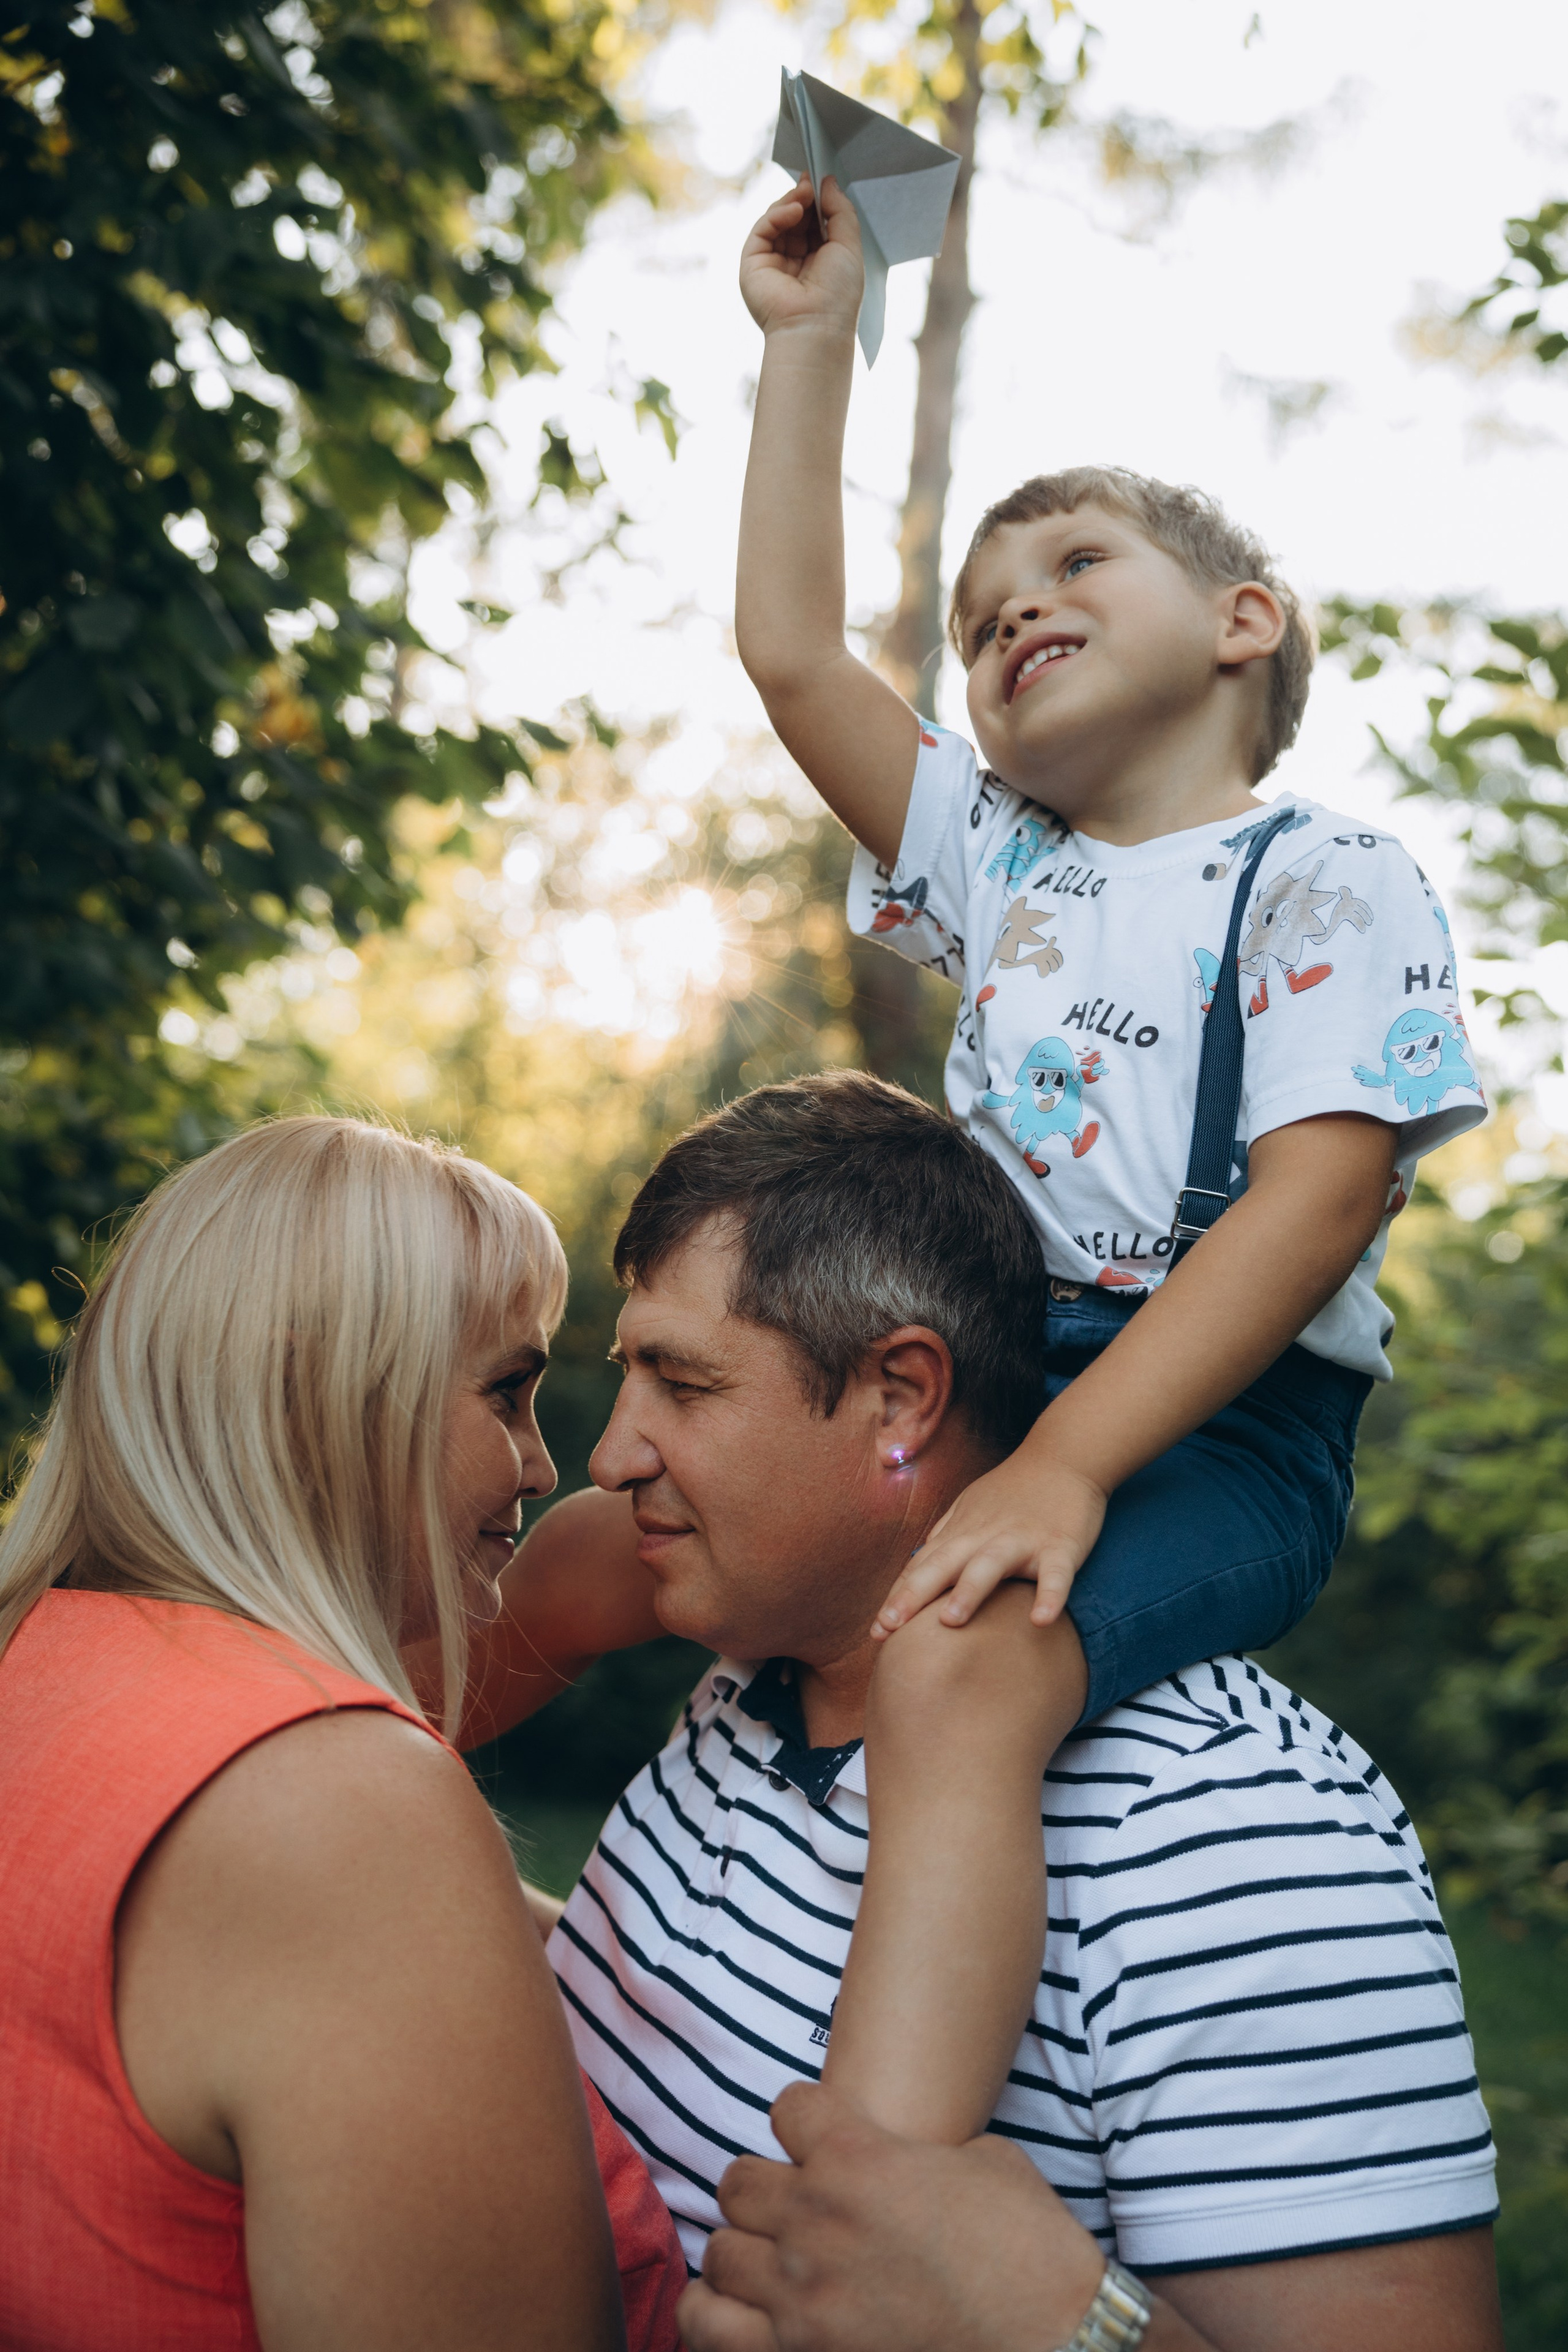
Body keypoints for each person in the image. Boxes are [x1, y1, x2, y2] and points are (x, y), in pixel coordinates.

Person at [728, 169, 1488, 2139]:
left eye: (1072, 568)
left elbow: (1320, 1200)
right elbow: (799, 657)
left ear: (1247, 625)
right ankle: (363, 1761)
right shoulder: (1006, 865)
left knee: (969, 1672)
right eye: (981, 623)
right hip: (968, 1362)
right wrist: (809, 347)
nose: (1010, 620)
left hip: (1216, 1424)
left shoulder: (1322, 872)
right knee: (656, 1511)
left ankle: (884, 2179)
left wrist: (1069, 1461)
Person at [514, 1072, 1502, 2348]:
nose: (612, 1454)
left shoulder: (1227, 1834)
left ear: (899, 1400)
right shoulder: (753, 1673)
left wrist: (1063, 2329)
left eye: (683, 1385)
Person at [0, 1117, 685, 2352]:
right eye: (506, 1394)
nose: (539, 1464)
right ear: (317, 1386)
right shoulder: (337, 1801)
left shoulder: (49, 1652)